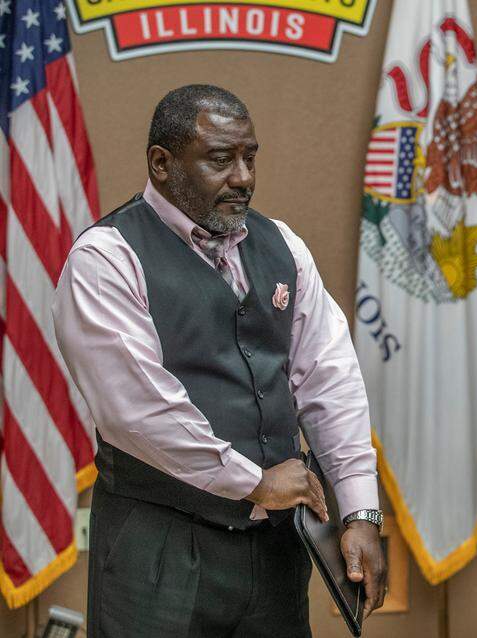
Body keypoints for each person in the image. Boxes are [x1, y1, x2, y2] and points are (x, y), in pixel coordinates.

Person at [52, 85, 387, 637]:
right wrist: (255, 481)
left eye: (249, 156)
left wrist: (360, 511)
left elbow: (331, 381)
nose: (243, 178)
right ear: (161, 164)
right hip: (157, 551)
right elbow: (138, 411)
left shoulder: (284, 246)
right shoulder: (105, 258)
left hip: (275, 552)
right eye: (220, 159)